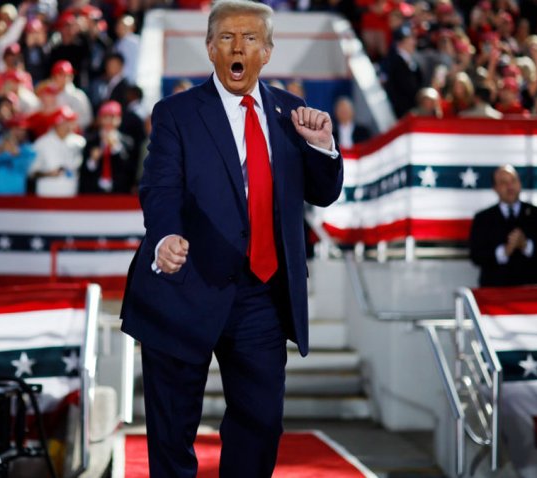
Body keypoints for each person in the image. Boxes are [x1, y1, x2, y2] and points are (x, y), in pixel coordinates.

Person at [119, 1, 343, 476]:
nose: (237, 47)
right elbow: (159, 189)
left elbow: (323, 194)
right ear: (209, 48)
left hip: (261, 295)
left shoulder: (292, 112)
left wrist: (323, 146)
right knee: (171, 433)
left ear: (266, 50)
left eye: (248, 39)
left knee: (260, 424)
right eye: (226, 38)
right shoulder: (176, 113)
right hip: (183, 291)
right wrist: (165, 238)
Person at [469, 165, 537, 287]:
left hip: (534, 290)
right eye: (503, 182)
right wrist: (503, 252)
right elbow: (476, 255)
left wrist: (526, 245)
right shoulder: (483, 218)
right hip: (496, 291)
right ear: (495, 188)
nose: (510, 186)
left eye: (513, 181)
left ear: (519, 184)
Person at [29, 106, 85, 197]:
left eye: (70, 122)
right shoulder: (41, 143)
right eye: (65, 122)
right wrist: (48, 174)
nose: (69, 125)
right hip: (47, 193)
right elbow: (32, 172)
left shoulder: (80, 142)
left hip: (72, 193)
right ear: (56, 123)